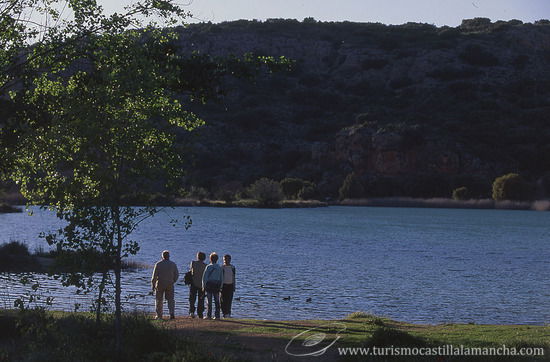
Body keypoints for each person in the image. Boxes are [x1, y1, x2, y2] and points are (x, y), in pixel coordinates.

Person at [151, 250, 179, 320]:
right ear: (169, 256)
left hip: (160, 283)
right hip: (170, 283)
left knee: (159, 300)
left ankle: (159, 315)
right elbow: (177, 275)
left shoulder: (158, 264)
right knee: (170, 300)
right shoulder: (173, 264)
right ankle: (171, 313)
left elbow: (154, 276)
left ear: (162, 256)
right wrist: (173, 281)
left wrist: (153, 285)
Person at [202, 252, 223, 319]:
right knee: (217, 301)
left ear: (210, 259)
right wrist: (221, 286)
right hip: (217, 285)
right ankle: (217, 316)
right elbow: (221, 278)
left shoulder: (208, 267)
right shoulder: (219, 267)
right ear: (217, 259)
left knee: (209, 301)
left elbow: (204, 278)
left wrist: (203, 286)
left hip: (209, 285)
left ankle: (209, 315)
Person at [188, 251, 207, 318]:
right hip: (201, 284)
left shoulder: (193, 263)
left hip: (193, 283)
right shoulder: (205, 266)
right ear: (204, 258)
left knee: (192, 299)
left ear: (197, 257)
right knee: (201, 299)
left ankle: (192, 312)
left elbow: (191, 271)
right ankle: (200, 313)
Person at [221, 254, 236, 318]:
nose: (225, 261)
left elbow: (234, 277)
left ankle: (228, 313)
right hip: (223, 285)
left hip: (230, 285)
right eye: (224, 260)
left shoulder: (232, 267)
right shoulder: (222, 267)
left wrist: (234, 285)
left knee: (229, 300)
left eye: (226, 259)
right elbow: (221, 277)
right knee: (222, 300)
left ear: (230, 260)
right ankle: (224, 313)